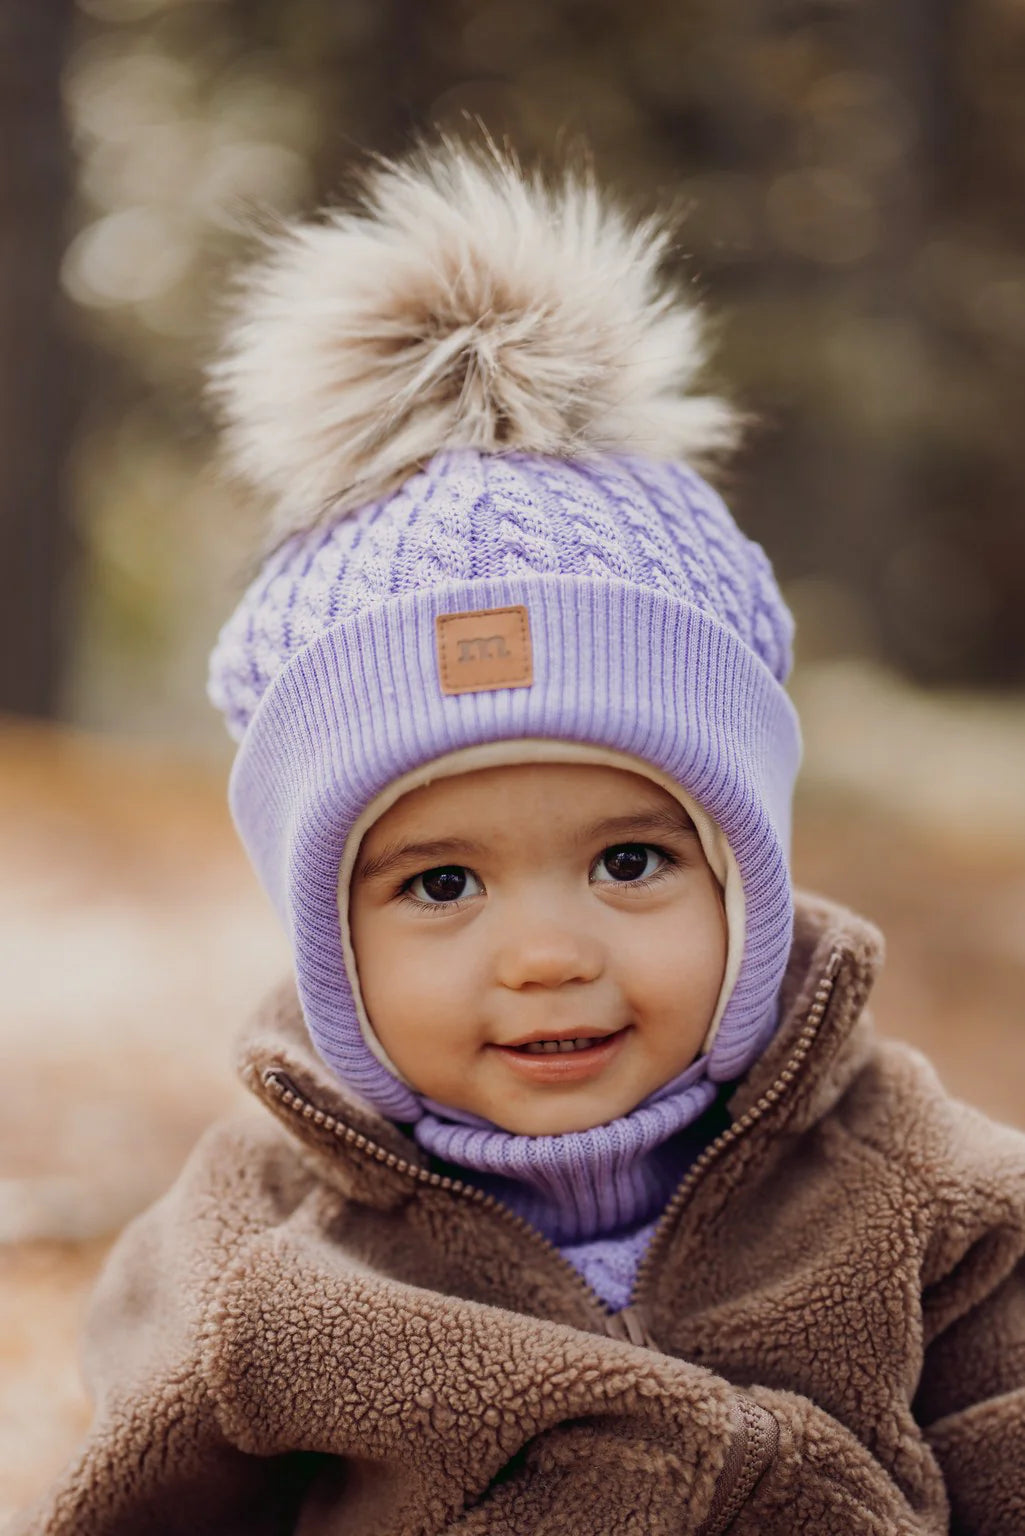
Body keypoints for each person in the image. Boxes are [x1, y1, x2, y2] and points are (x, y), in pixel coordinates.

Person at [17, 141, 1025, 1536]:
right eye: (439, 883)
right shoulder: (252, 1260)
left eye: (630, 862)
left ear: (746, 872)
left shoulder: (921, 1189)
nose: (547, 954)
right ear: (327, 933)